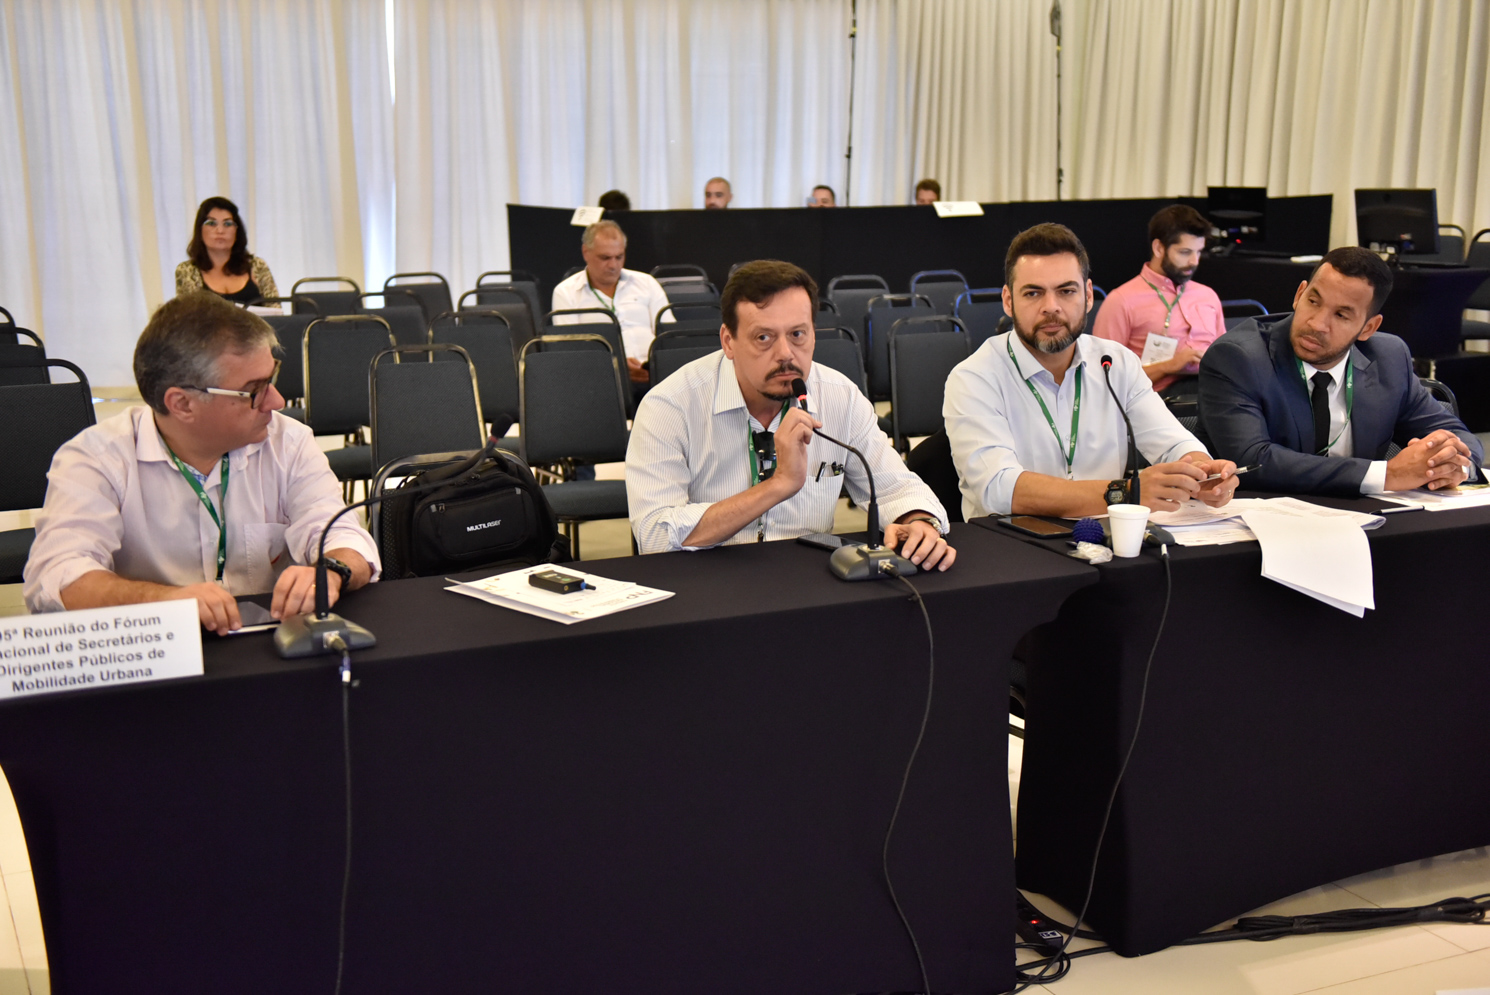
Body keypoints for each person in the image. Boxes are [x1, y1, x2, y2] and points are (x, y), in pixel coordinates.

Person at [23, 293, 378, 632]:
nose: (277, 401)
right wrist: (164, 601)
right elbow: (58, 574)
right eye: (255, 390)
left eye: (272, 378)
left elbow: (341, 534)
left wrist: (331, 571)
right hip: (153, 650)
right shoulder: (97, 459)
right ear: (182, 404)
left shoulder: (289, 442)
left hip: (270, 644)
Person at [626, 259, 955, 570]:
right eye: (764, 338)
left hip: (808, 580)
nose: (785, 354)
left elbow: (896, 487)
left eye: (797, 334)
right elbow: (654, 535)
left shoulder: (840, 396)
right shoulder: (670, 406)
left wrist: (917, 521)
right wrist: (778, 485)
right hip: (706, 579)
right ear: (728, 341)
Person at [944, 223, 1239, 519]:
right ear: (1008, 301)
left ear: (1087, 295)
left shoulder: (1116, 363)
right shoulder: (975, 378)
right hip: (1010, 540)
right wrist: (1125, 492)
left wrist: (1203, 471)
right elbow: (997, 488)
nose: (1051, 307)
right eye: (1033, 293)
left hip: (1104, 536)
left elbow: (1172, 443)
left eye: (1066, 291)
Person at [1197, 246, 1482, 496]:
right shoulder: (1238, 357)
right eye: (1313, 301)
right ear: (1299, 294)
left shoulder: (1389, 358)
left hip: (1366, 523)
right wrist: (1388, 475)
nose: (1317, 324)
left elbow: (1459, 436)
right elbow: (1253, 462)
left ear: (1368, 328)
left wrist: (1451, 466)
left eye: (1341, 315)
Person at [1092, 204, 1225, 397]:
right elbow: (1105, 378)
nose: (1194, 261)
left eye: (1198, 252)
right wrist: (1169, 366)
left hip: (1211, 392)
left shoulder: (1207, 296)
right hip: (1157, 399)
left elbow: (1225, 359)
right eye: (1185, 252)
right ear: (1159, 248)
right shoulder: (1122, 301)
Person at [551, 220, 672, 385]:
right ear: (586, 252)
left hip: (656, 375)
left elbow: (669, 336)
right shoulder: (567, 292)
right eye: (605, 258)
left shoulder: (647, 283)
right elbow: (570, 351)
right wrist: (619, 366)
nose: (613, 265)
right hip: (601, 379)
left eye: (619, 257)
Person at [174, 197, 278, 304]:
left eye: (227, 224)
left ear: (237, 231)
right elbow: (188, 312)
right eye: (211, 223)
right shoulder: (187, 271)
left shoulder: (257, 265)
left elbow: (275, 309)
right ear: (200, 230)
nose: (220, 230)